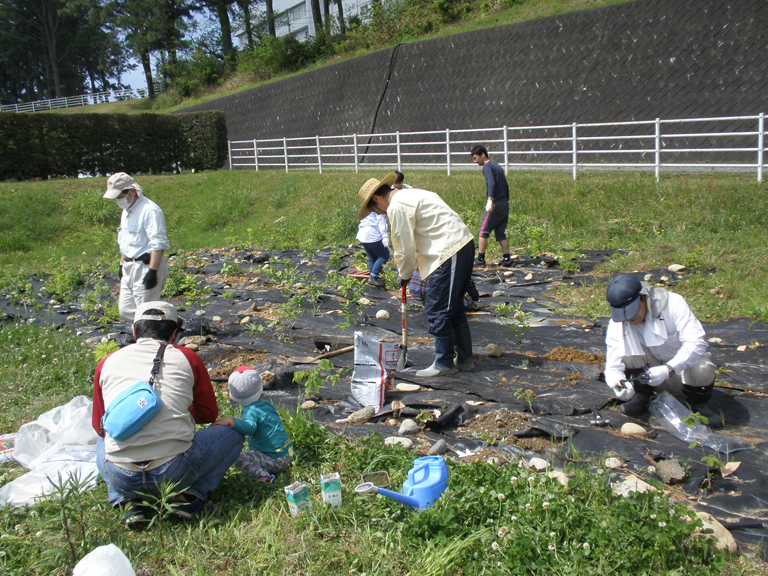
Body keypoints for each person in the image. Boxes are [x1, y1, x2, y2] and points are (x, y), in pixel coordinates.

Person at [92, 301, 244, 527]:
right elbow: (208, 413)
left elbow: (100, 426)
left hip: (120, 474)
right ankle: (188, 497)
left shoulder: (107, 362)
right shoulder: (187, 358)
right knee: (233, 434)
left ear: (134, 332)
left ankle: (128, 500)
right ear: (174, 334)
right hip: (174, 470)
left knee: (100, 444)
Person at [358, 172, 475, 377]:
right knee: (453, 305)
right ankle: (464, 359)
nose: (379, 214)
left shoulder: (397, 206)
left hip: (449, 250)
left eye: (375, 210)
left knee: (436, 306)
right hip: (458, 245)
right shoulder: (413, 194)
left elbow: (404, 247)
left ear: (377, 198)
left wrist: (404, 274)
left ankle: (443, 363)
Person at [604, 274, 722, 428]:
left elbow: (696, 342)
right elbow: (613, 365)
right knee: (627, 352)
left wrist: (668, 369)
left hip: (683, 375)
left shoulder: (673, 304)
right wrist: (618, 382)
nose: (630, 318)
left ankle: (699, 405)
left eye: (633, 311)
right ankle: (641, 395)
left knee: (702, 366)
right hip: (649, 378)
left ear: (643, 297)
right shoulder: (618, 324)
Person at [103, 172, 171, 322]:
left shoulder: (150, 210)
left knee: (145, 312)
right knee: (125, 310)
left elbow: (158, 243)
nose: (118, 200)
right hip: (129, 266)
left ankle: (156, 338)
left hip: (146, 266)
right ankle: (159, 327)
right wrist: (122, 264)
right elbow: (125, 241)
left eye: (119, 196)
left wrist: (152, 271)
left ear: (131, 191)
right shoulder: (126, 212)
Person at [212, 366, 293, 483]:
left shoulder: (250, 411)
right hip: (288, 454)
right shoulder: (267, 405)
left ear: (232, 397)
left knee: (239, 458)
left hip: (275, 460)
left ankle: (265, 478)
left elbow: (250, 428)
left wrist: (232, 421)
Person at [471, 145, 512, 268]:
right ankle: (507, 258)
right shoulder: (497, 166)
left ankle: (480, 259)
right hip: (504, 202)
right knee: (500, 232)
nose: (475, 161)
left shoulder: (487, 167)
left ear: (483, 155)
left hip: (495, 202)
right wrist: (506, 200)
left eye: (475, 158)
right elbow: (505, 184)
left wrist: (490, 200)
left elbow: (491, 184)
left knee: (483, 231)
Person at [356, 202, 390, 289]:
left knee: (372, 257)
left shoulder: (367, 208)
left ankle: (374, 278)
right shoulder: (379, 207)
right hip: (373, 234)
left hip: (363, 235)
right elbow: (381, 222)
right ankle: (374, 276)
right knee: (384, 255)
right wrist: (385, 236)